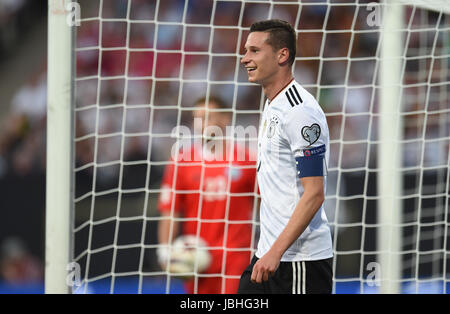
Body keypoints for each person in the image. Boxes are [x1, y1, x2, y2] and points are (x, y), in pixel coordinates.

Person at [237, 19, 333, 294]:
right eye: (246, 51)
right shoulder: (273, 103)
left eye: (254, 51)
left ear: (282, 55)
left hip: (299, 263)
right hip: (269, 256)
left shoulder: (300, 112)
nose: (245, 59)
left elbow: (314, 193)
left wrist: (275, 253)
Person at [157, 96, 257, 294]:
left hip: (236, 256)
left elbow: (266, 204)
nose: (202, 123)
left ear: (225, 118)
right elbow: (170, 211)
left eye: (208, 117)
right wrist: (164, 250)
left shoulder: (247, 160)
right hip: (194, 258)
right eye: (198, 118)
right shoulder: (181, 161)